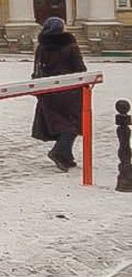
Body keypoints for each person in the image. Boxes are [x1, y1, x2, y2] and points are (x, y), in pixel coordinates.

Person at [31, 16, 87, 172]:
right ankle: (58, 152)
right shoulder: (70, 45)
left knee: (58, 122)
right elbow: (80, 68)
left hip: (48, 91)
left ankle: (67, 157)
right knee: (72, 124)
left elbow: (37, 69)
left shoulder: (41, 46)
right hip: (69, 91)